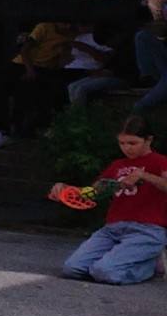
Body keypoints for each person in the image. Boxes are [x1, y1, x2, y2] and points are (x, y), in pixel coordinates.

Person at [56, 114, 167, 284]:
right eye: (122, 143)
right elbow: (92, 192)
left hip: (147, 230)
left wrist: (144, 175)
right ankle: (137, 259)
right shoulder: (117, 165)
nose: (126, 148)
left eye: (132, 143)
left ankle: (149, 265)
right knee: (72, 269)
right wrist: (66, 190)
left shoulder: (160, 161)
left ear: (148, 140)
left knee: (104, 272)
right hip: (113, 228)